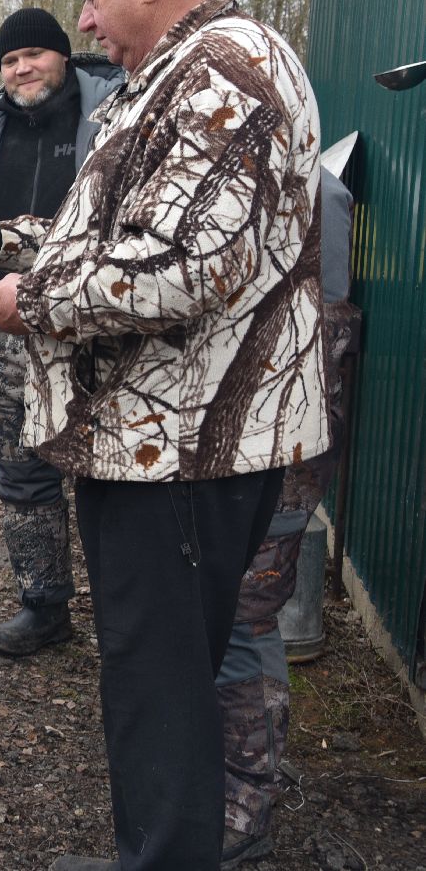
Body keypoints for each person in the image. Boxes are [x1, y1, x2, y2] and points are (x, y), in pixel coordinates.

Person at [0, 0, 327, 871]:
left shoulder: (226, 72)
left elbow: (180, 267)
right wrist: (0, 238)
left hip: (183, 453)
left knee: (162, 684)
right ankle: (156, 849)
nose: (86, 23)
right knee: (151, 676)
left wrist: (30, 300)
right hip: (154, 445)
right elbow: (115, 228)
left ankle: (162, 857)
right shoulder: (172, 73)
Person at [0, 8, 123, 656]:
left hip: (91, 341)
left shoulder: (112, 118)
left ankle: (126, 616)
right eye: (9, 60)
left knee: (110, 485)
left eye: (34, 54)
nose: (22, 68)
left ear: (63, 55)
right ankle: (43, 605)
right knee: (23, 481)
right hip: (0, 343)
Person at [217, 168, 358, 868]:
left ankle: (244, 812)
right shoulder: (297, 178)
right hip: (274, 429)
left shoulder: (298, 186)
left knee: (245, 615)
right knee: (240, 614)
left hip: (285, 436)